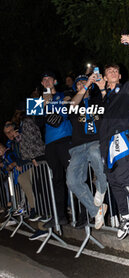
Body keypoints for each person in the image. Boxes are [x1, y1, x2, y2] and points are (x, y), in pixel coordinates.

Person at [98, 34, 129, 240]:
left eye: (115, 71)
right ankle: (125, 216)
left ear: (119, 76)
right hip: (104, 143)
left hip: (121, 138)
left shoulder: (126, 89)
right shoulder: (101, 98)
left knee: (122, 176)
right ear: (104, 76)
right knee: (113, 180)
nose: (112, 73)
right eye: (108, 71)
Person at [66, 74, 107, 230]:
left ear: (91, 86)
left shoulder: (97, 101)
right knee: (72, 181)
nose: (83, 84)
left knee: (95, 152)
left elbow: (109, 104)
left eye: (85, 82)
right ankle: (96, 210)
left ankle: (101, 189)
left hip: (96, 141)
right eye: (79, 84)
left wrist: (101, 87)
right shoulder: (75, 102)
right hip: (77, 146)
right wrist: (86, 84)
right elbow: (71, 105)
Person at [40, 71, 72, 228]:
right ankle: (60, 216)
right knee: (57, 180)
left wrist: (52, 101)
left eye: (49, 79)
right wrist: (44, 103)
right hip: (50, 144)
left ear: (55, 81)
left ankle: (84, 213)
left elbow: (66, 113)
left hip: (65, 139)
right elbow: (37, 121)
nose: (47, 81)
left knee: (74, 177)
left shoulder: (64, 94)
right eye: (44, 80)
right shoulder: (37, 101)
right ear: (41, 83)